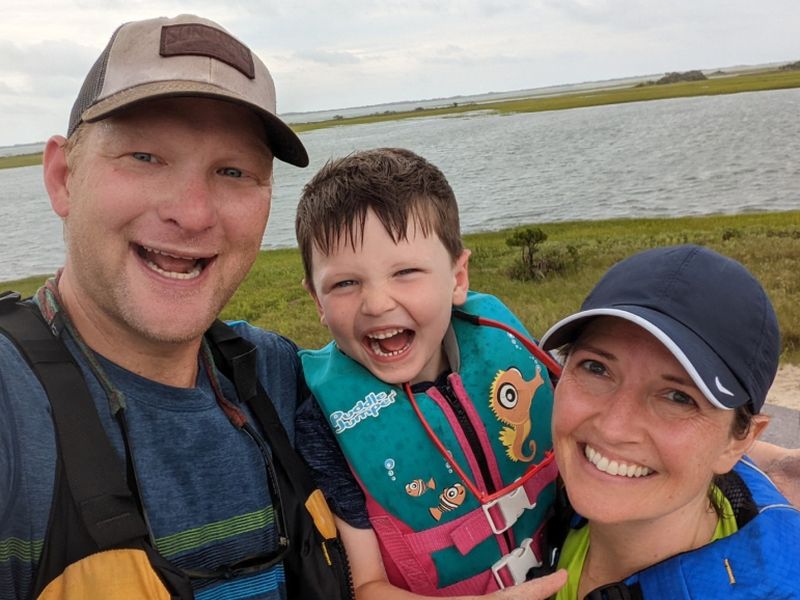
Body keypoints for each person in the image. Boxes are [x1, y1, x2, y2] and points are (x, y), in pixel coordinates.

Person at [0, 14, 351, 600]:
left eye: (233, 171)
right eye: (145, 157)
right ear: (63, 177)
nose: (192, 213)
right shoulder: (14, 415)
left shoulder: (284, 379)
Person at [294, 148, 569, 599]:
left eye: (405, 272)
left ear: (458, 278)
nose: (377, 303)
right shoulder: (323, 422)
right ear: (317, 301)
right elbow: (366, 586)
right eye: (345, 283)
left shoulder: (506, 347)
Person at [538, 244, 800, 599]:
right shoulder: (528, 478)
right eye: (596, 368)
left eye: (678, 397)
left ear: (737, 441)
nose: (614, 428)